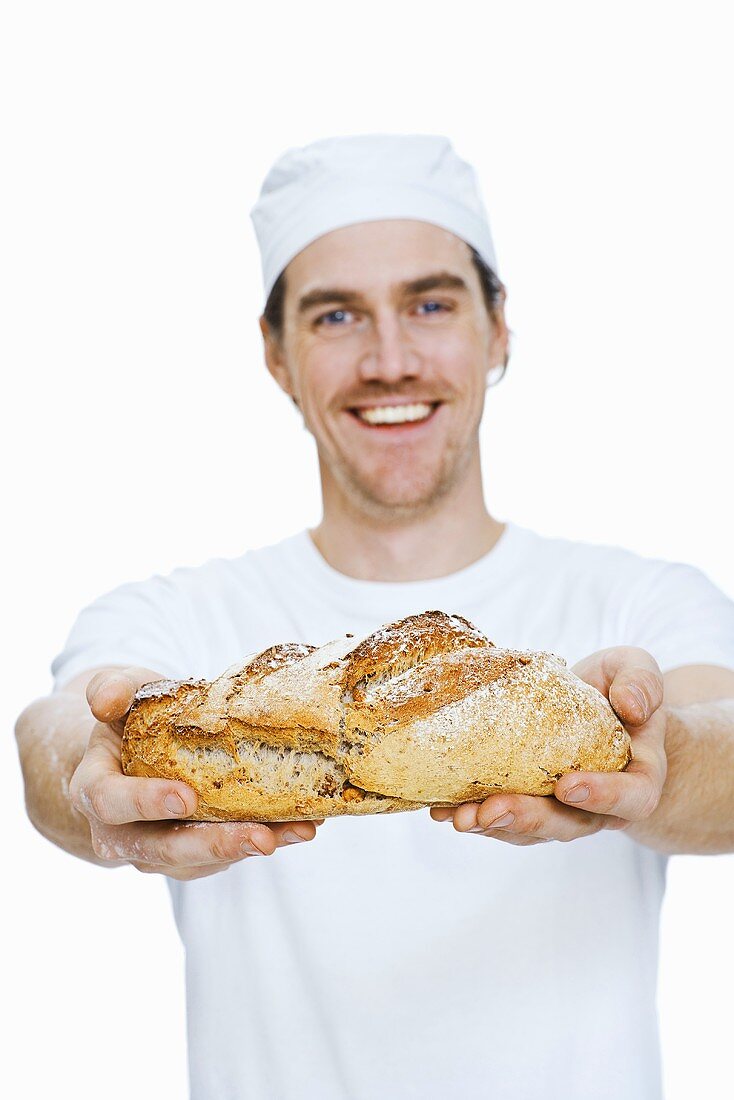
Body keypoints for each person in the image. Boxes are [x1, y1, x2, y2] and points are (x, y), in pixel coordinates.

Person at [15, 133, 734, 1100]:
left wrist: (662, 761)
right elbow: (58, 735)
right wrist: (83, 779)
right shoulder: (189, 621)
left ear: (499, 329)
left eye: (431, 303)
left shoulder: (635, 601)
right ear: (277, 355)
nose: (390, 360)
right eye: (337, 315)